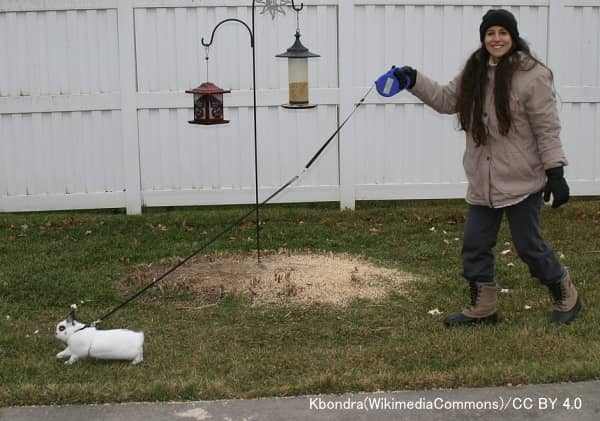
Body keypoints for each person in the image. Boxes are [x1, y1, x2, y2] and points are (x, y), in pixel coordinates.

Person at [393, 9, 582, 326]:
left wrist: (556, 172)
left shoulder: (533, 75)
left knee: (529, 247)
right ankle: (484, 308)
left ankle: (566, 293)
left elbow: (546, 128)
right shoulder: (474, 72)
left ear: (513, 36)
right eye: (490, 33)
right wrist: (414, 80)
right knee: (475, 246)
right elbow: (445, 100)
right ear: (483, 38)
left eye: (502, 33)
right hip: (483, 179)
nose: (496, 39)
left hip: (522, 180)